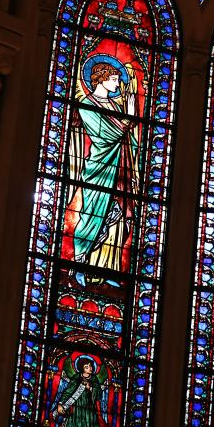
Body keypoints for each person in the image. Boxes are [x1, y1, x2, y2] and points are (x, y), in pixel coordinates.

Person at [68, 60, 138, 273]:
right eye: (114, 79)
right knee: (92, 216)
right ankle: (79, 263)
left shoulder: (116, 106)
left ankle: (106, 268)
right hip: (98, 169)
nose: (117, 84)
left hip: (119, 169)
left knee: (115, 218)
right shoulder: (86, 105)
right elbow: (107, 136)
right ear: (101, 79)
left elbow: (128, 140)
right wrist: (129, 116)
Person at [53, 357, 108, 427]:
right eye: (87, 367)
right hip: (77, 406)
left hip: (89, 407)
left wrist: (90, 388)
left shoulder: (94, 379)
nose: (90, 368)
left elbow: (99, 394)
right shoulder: (77, 377)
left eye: (90, 366)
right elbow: (68, 391)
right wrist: (60, 404)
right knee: (73, 425)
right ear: (82, 368)